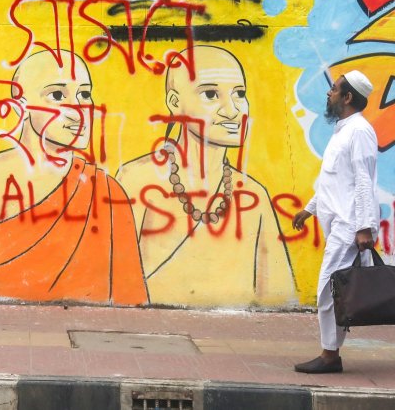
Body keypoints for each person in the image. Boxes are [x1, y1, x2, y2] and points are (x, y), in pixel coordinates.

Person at [0, 49, 147, 304]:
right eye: (57, 95)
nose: (77, 110)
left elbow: (130, 297)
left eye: (84, 94)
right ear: (20, 107)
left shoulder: (106, 192)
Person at [115, 45, 296, 306]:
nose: (232, 110)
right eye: (211, 94)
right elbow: (113, 283)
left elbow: (277, 297)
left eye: (240, 94)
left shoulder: (253, 196)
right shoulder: (137, 181)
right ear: (175, 103)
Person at [292, 70, 395, 373]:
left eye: (333, 90)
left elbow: (362, 182)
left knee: (329, 289)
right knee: (364, 292)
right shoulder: (343, 130)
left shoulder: (359, 131)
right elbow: (333, 181)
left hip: (350, 226)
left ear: (347, 97)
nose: (328, 94)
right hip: (342, 224)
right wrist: (309, 209)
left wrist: (364, 228)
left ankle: (330, 356)